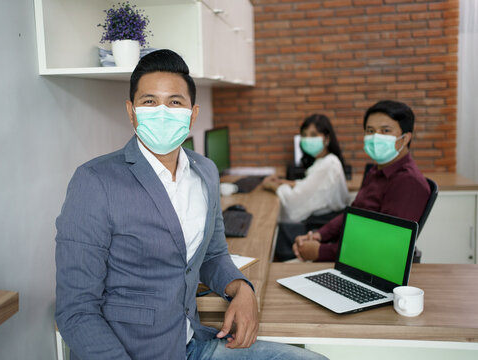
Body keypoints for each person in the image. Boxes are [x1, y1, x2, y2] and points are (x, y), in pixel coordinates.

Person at [54, 50, 327, 360]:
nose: (162, 111)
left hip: (193, 343)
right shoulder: (95, 181)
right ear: (131, 112)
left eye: (174, 102)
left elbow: (213, 254)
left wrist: (242, 289)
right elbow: (76, 311)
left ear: (192, 114)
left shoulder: (205, 171)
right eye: (149, 101)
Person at [293, 100, 431, 262]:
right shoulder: (375, 171)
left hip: (368, 266)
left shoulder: (408, 183)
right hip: (347, 256)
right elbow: (353, 214)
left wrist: (321, 252)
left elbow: (383, 247)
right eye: (370, 131)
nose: (375, 137)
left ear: (405, 138)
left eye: (385, 130)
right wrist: (319, 235)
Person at [262, 114, 348, 223]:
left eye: (313, 135)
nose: (307, 139)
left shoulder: (329, 163)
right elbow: (309, 184)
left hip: (319, 225)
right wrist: (284, 182)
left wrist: (273, 186)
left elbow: (293, 201)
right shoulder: (323, 161)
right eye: (304, 135)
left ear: (326, 139)